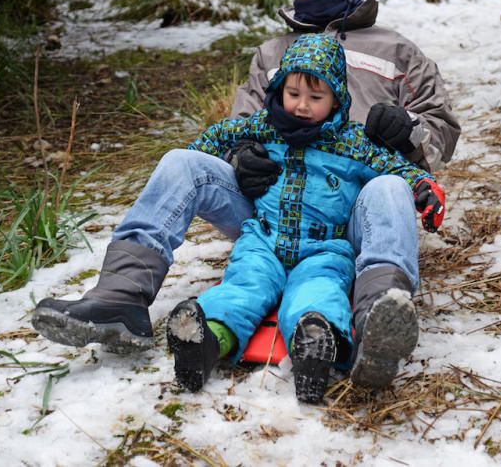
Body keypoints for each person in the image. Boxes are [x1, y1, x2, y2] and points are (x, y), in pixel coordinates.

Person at [32, 0, 461, 389]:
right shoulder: (272, 54)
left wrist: (409, 133)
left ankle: (378, 314)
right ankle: (120, 297)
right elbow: (240, 127)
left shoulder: (394, 49)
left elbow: (442, 126)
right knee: (182, 162)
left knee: (389, 184)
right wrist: (242, 159)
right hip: (272, 213)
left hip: (355, 216)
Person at [165, 33, 445, 403]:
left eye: (316, 98)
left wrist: (424, 187)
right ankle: (206, 342)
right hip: (262, 240)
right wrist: (222, 157)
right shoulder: (262, 127)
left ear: (336, 100)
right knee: (243, 288)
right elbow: (215, 138)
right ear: (280, 88)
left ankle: (313, 344)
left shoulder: (352, 141)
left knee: (318, 293)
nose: (301, 106)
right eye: (293, 93)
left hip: (324, 248)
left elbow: (394, 167)